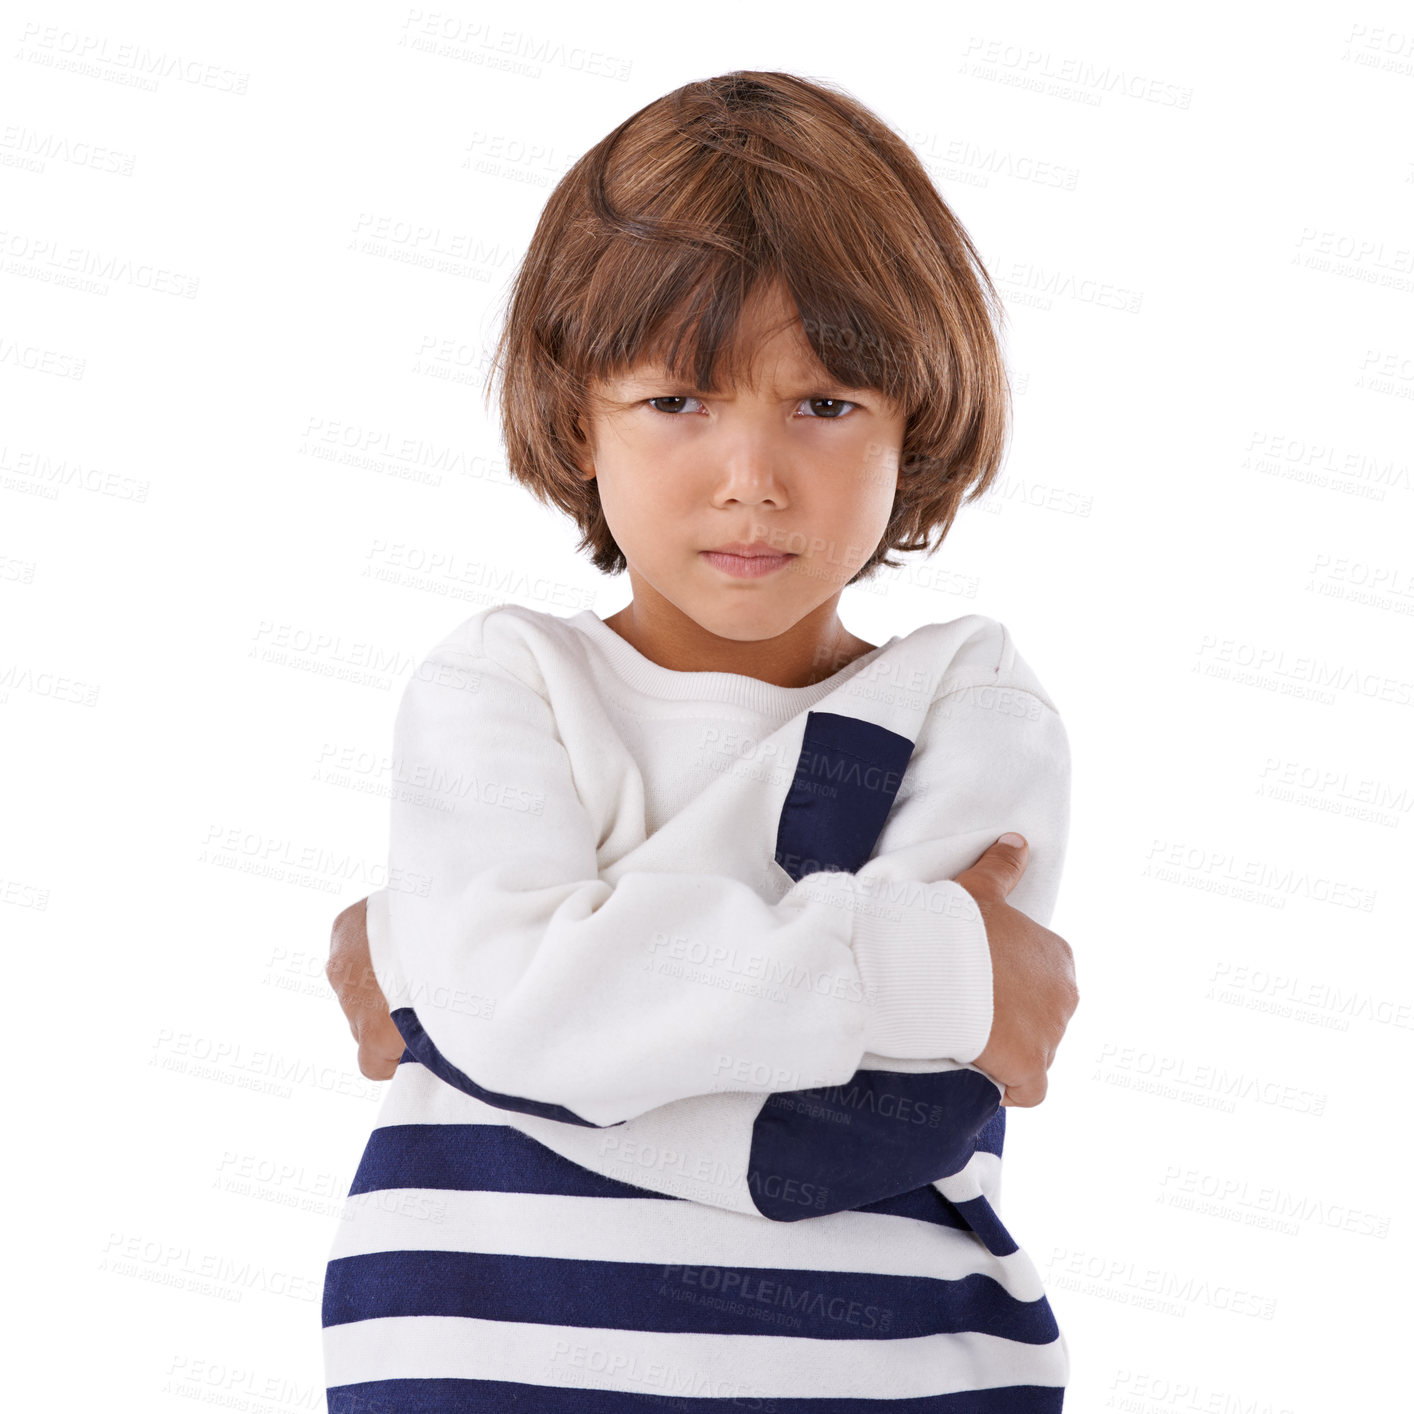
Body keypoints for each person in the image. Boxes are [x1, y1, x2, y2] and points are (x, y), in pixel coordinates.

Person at [321, 69, 1079, 1410]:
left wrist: (458, 984)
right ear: (578, 419)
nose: (750, 475)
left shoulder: (966, 704)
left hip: (887, 1376)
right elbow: (525, 1007)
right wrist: (913, 963)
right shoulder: (503, 684)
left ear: (918, 423)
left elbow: (861, 1124)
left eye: (825, 402)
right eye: (678, 399)